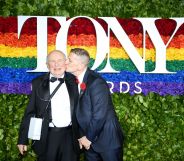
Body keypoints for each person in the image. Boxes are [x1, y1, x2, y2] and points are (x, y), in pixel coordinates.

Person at [17, 50, 80, 161]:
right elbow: (30, 111)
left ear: (66, 62)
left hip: (70, 137)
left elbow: (83, 110)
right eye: (52, 61)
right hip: (47, 136)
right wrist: (22, 139)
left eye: (60, 60)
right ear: (47, 65)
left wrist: (83, 135)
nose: (56, 64)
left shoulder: (75, 81)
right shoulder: (38, 82)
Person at [65, 48, 124, 161]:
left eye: (70, 60)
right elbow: (80, 111)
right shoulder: (74, 80)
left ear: (80, 66)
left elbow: (99, 115)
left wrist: (88, 138)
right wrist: (83, 136)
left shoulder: (96, 82)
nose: (66, 62)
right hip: (89, 141)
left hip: (107, 141)